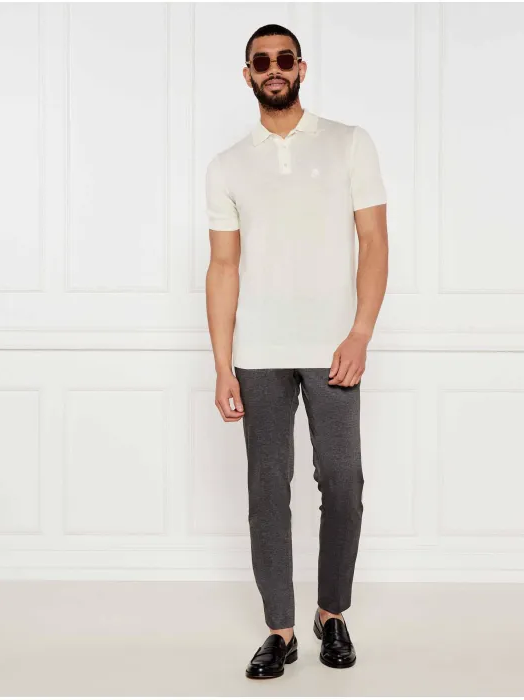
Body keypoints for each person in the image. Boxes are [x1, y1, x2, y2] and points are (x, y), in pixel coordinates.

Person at [205, 23, 388, 680]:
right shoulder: (227, 165)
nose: (274, 68)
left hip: (334, 345)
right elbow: (223, 267)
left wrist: (360, 332)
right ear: (248, 75)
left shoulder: (349, 142)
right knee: (266, 488)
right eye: (262, 62)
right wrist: (222, 365)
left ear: (302, 68)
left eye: (285, 58)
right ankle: (279, 630)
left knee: (342, 481)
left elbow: (374, 242)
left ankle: (330, 613)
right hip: (258, 351)